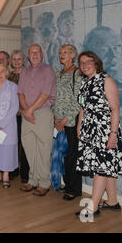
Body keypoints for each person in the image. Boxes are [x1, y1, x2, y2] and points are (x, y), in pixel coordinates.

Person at [75, 51, 122, 218]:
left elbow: (115, 108)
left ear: (96, 63)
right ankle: (112, 201)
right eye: (82, 63)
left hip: (105, 129)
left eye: (89, 61)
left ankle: (93, 207)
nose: (85, 65)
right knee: (105, 167)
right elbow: (83, 107)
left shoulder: (106, 80)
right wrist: (79, 125)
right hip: (89, 130)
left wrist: (113, 133)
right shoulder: (84, 83)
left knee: (101, 168)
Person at [18, 44, 56, 197]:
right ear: (28, 55)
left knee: (44, 150)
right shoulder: (24, 71)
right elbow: (20, 92)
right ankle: (33, 180)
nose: (34, 54)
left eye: (37, 52)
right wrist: (27, 110)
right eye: (31, 52)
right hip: (27, 115)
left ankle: (44, 183)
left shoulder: (48, 70)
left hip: (42, 113)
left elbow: (46, 94)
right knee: (29, 148)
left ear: (41, 54)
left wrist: (30, 110)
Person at [52, 44, 82, 201]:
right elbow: (54, 98)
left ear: (72, 55)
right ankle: (66, 183)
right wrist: (56, 118)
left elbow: (79, 100)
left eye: (65, 52)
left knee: (72, 156)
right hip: (58, 123)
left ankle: (74, 189)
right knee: (62, 155)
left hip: (71, 122)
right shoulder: (58, 74)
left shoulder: (78, 74)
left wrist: (65, 119)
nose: (61, 55)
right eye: (60, 52)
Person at [8, 50, 29, 184]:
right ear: (11, 61)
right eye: (14, 59)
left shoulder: (28, 75)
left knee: (25, 144)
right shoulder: (8, 76)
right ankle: (13, 170)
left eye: (19, 59)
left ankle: (25, 173)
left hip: (24, 114)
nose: (16, 61)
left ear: (23, 60)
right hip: (10, 115)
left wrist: (22, 108)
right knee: (12, 143)